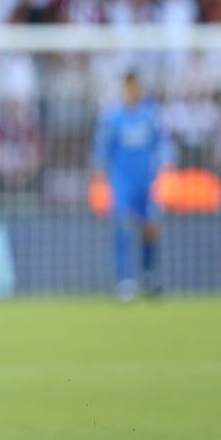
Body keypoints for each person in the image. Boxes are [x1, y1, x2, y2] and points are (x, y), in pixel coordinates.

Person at [92, 72, 171, 300]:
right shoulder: (113, 117)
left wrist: (165, 167)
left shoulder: (150, 115)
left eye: (136, 86)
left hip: (147, 181)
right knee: (123, 228)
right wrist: (99, 172)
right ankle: (125, 280)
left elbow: (163, 145)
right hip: (122, 182)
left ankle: (149, 275)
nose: (133, 91)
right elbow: (102, 148)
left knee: (151, 228)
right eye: (129, 87)